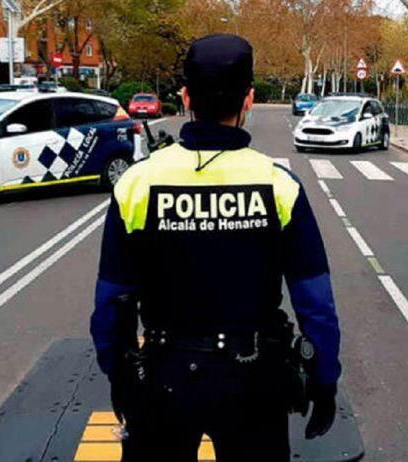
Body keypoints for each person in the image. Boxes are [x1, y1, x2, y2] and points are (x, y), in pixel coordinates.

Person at [90, 34, 342, 461]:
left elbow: (113, 296)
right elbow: (315, 299)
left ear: (185, 97)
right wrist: (324, 378)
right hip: (255, 379)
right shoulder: (279, 184)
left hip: (163, 377)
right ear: (249, 100)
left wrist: (118, 372)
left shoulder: (139, 182)